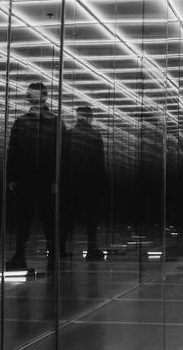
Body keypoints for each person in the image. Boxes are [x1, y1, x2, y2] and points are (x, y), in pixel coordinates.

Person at [5, 82, 66, 271]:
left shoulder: (46, 122)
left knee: (45, 218)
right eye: (29, 92)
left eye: (33, 92)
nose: (30, 95)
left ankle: (40, 254)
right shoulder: (30, 122)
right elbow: (13, 150)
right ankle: (25, 254)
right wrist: (12, 176)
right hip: (32, 177)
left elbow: (63, 154)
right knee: (29, 217)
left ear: (44, 96)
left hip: (40, 177)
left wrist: (58, 179)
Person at [63, 106, 107, 262]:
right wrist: (102, 182)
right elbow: (100, 161)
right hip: (91, 181)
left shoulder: (69, 135)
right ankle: (92, 247)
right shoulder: (95, 135)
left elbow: (63, 159)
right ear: (91, 117)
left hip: (72, 180)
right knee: (91, 217)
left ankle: (61, 247)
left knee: (69, 215)